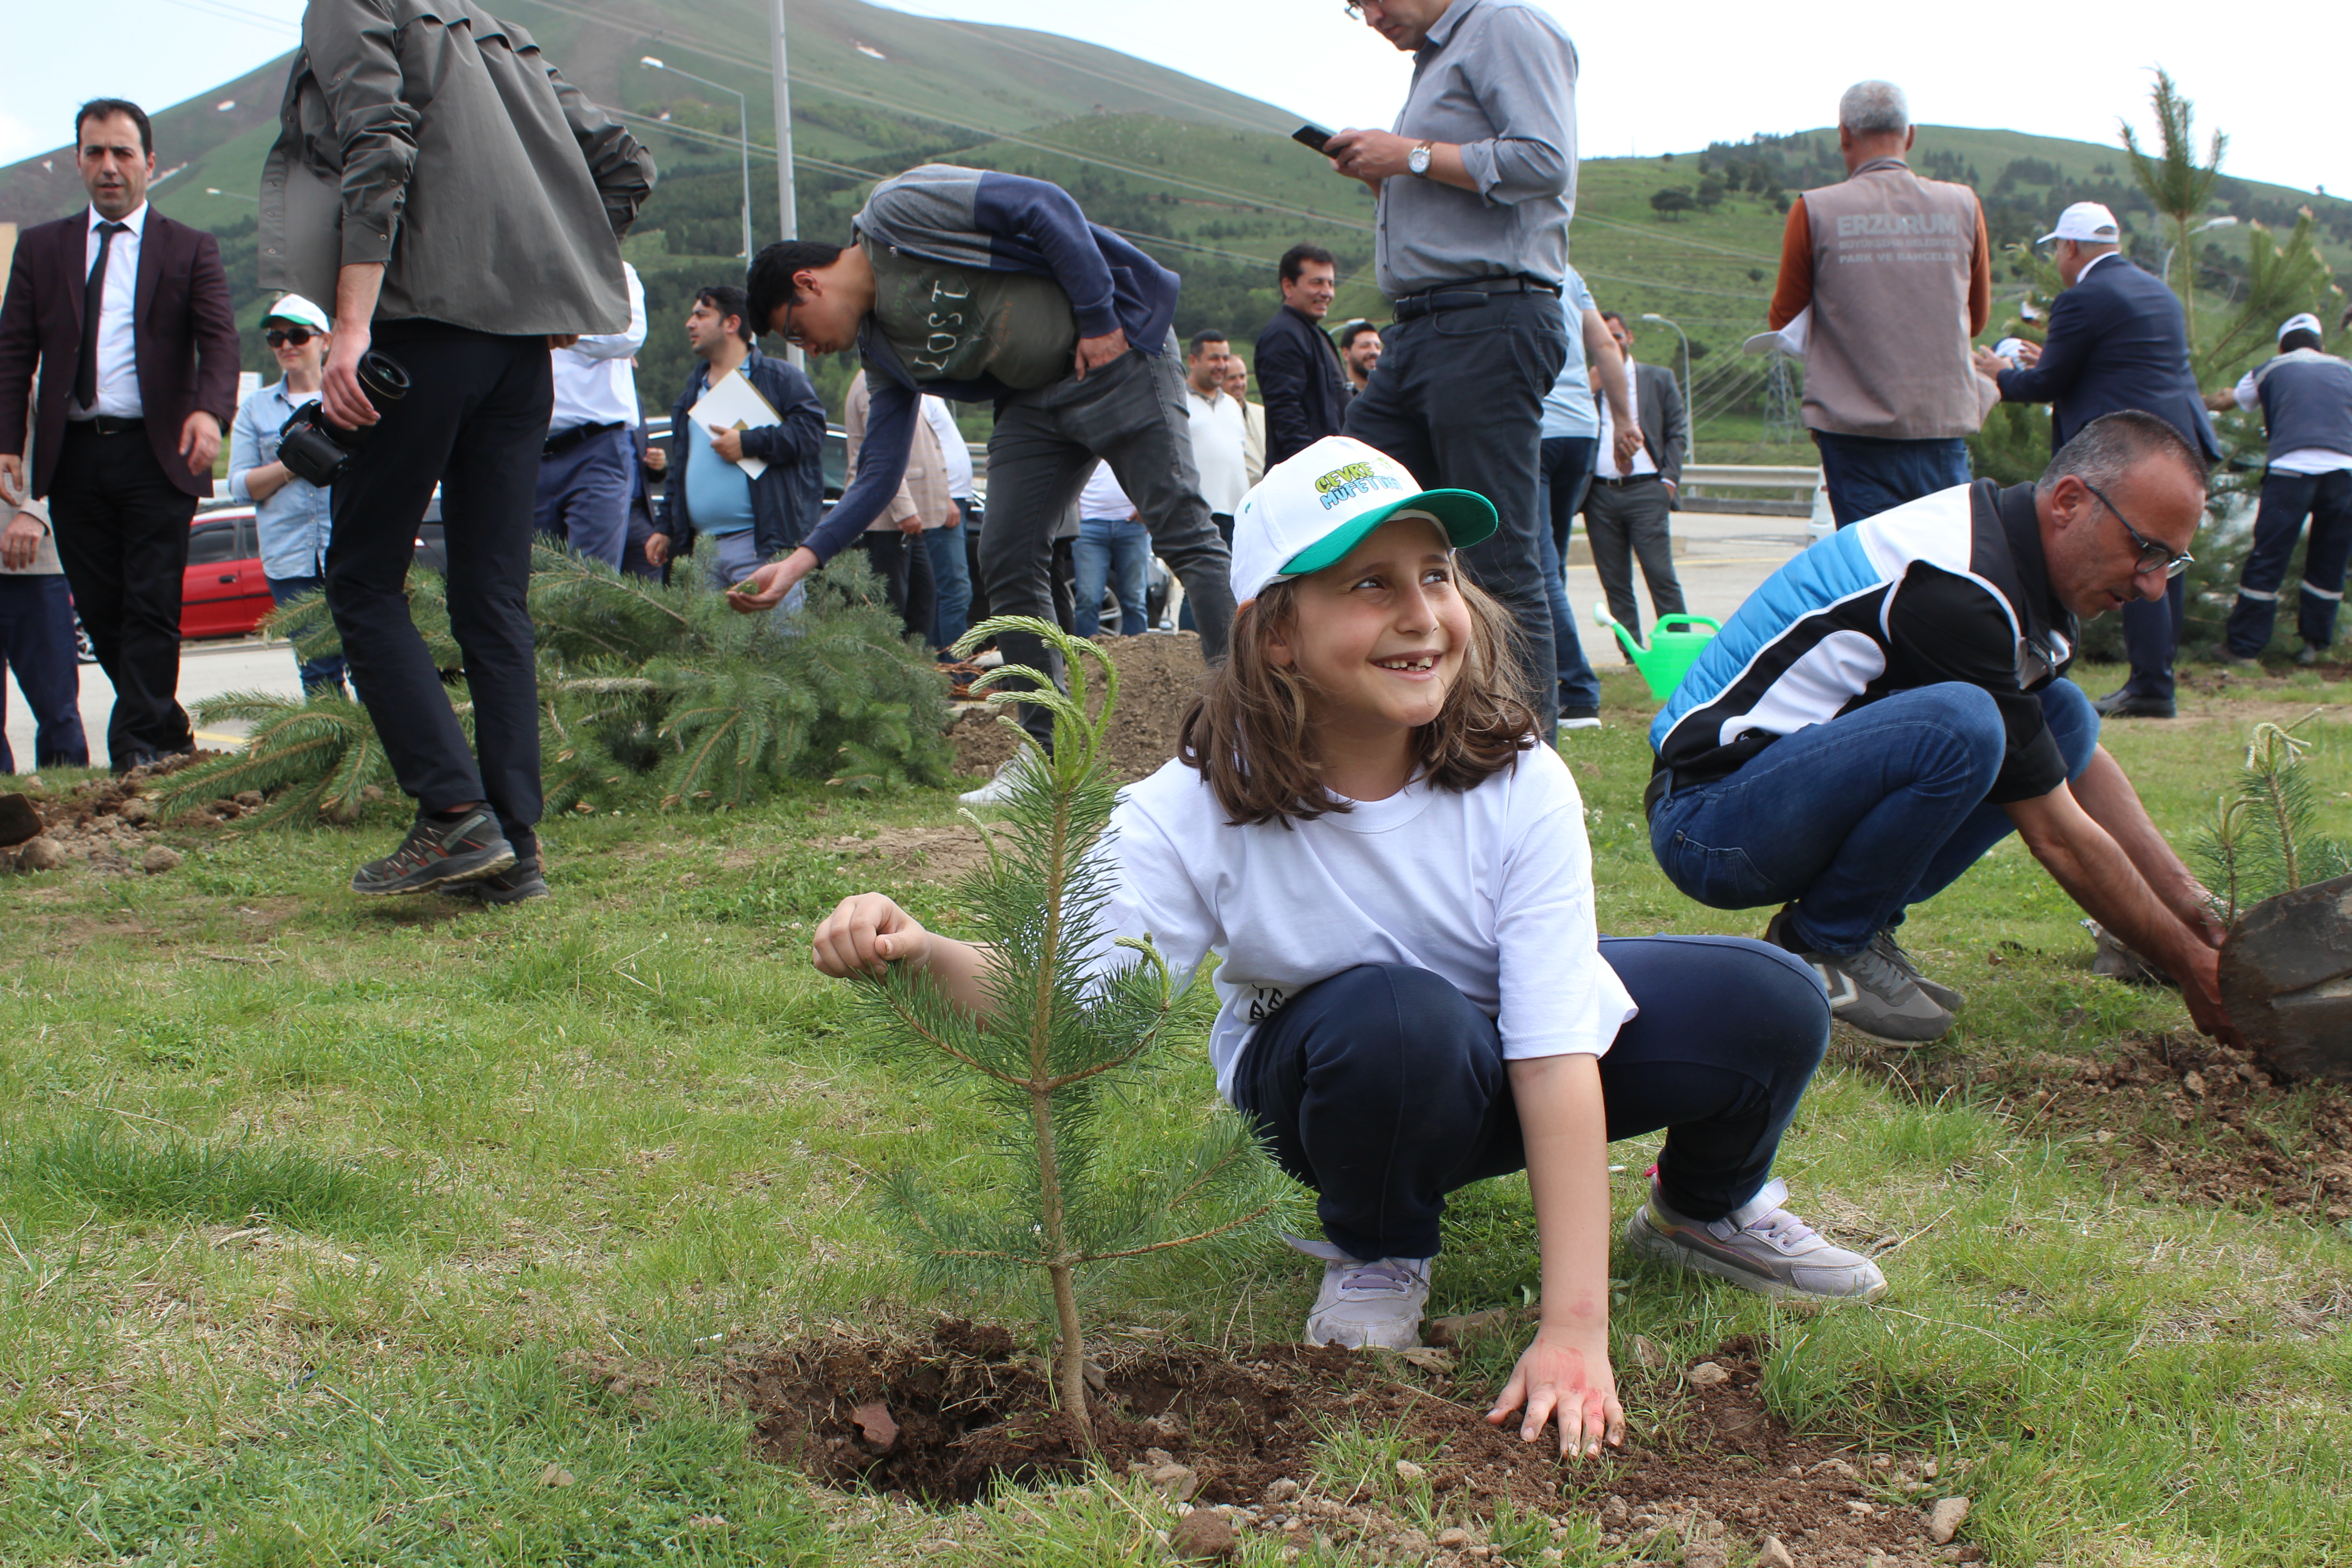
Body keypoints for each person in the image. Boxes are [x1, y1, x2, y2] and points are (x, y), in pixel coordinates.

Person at [812, 434, 1885, 1461]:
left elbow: (1556, 1042)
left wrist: (1574, 1328)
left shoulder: (1519, 776)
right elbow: (1065, 1005)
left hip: (1493, 1064)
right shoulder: (1191, 804)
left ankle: (1703, 1208)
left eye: (1434, 574)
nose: (1421, 615)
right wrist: (917, 948)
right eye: (1369, 585)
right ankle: (1376, 1246)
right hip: (1343, 1086)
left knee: (1772, 997)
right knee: (1397, 1018)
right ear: (1275, 630)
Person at [1646, 412, 2239, 1048]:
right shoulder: (1957, 583)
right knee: (1965, 722)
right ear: (2070, 502)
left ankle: (1857, 927)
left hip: (1774, 802)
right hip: (1709, 823)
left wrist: (2194, 906)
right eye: (2146, 551)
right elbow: (2057, 835)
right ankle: (1824, 941)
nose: (2153, 587)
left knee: (2064, 714)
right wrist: (2187, 963)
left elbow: (2080, 767)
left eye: (2171, 564)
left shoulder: (2019, 566)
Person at [261, 0, 656, 900]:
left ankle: (451, 814)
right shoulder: (491, 31)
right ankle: (517, 848)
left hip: (420, 331)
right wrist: (554, 284)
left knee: (362, 579)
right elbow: (627, 164)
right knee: (493, 595)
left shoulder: (353, 7)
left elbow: (379, 141)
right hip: (520, 358)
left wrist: (351, 326)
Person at [731, 164, 1237, 768]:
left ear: (807, 284)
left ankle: (1246, 732)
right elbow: (878, 474)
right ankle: (1043, 758)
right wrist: (799, 563)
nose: (810, 349)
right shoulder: (884, 354)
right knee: (1006, 553)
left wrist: (1100, 319)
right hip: (1033, 401)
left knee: (1183, 531)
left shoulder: (897, 213)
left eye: (796, 331)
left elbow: (1043, 204)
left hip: (1117, 353)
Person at [1328, 0, 1580, 735]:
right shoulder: (1434, 61)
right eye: (1355, 8)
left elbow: (1542, 160)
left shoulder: (1504, 25)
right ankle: (1401, 725)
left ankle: (1523, 766)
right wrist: (1392, 175)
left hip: (1487, 317)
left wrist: (1404, 155)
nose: (1370, 15)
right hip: (1418, 328)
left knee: (1498, 557)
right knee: (1356, 508)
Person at [0, 98, 239, 772]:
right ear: (79, 160)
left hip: (156, 453)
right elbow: (14, 351)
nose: (109, 167)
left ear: (150, 163)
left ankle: (133, 744)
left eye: (123, 153)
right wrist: (5, 443)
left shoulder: (191, 247)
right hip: (72, 455)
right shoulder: (43, 249)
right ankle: (165, 728)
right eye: (96, 152)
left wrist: (209, 412)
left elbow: (221, 343)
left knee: (153, 602)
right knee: (103, 609)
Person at [1975, 202, 2219, 720]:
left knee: (2134, 561)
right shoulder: (2157, 291)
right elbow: (2127, 366)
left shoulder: (2082, 298)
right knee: (2165, 564)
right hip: (2179, 440)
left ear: (2070, 248)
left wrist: (1999, 372)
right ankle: (2158, 677)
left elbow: (2046, 384)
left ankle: (2149, 688)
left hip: (2130, 454)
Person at [1768, 81, 1994, 527]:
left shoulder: (1813, 210)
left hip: (1853, 434)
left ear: (1844, 136)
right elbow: (1977, 320)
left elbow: (1784, 320)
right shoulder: (1963, 204)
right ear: (1910, 135)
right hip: (1940, 426)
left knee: (1874, 576)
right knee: (1946, 565)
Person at [651, 286, 827, 605]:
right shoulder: (690, 394)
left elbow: (811, 434)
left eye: (701, 315)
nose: (690, 324)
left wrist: (748, 443)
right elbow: (680, 468)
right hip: (701, 551)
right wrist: (665, 526)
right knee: (711, 651)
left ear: (732, 324)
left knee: (776, 647)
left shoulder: (780, 378)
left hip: (761, 546)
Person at [2204, 312, 2352, 667]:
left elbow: (2226, 400)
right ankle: (2314, 646)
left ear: (2282, 345)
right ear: (2321, 345)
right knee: (2330, 562)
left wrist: (2188, 400)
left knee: (2268, 557)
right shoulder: (2346, 369)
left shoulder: (2270, 369)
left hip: (2291, 475)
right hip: (2344, 476)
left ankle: (2243, 649)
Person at [225, 292, 347, 694]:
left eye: (298, 335)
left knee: (372, 661)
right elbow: (240, 486)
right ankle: (329, 754)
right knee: (317, 669)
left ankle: (384, 754)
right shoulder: (256, 409)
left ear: (326, 340)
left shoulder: (349, 399)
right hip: (290, 558)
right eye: (276, 339)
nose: (287, 346)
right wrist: (293, 466)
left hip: (351, 546)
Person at [1538, 266, 1637, 729]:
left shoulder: (1503, 252)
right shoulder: (1568, 272)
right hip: (1581, 429)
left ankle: (1577, 689)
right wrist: (1623, 420)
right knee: (1551, 565)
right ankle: (1562, 681)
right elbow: (1605, 345)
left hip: (1536, 428)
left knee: (1536, 567)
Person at [534, 260, 647, 571]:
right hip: (531, 448)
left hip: (596, 448)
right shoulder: (523, 267)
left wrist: (556, 328)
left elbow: (628, 333)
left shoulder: (611, 268)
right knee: (536, 585)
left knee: (593, 583)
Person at [1585, 313, 1688, 644]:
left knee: (1660, 574)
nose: (1612, 344)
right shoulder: (1586, 384)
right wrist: (1589, 389)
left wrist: (1668, 483)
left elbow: (1677, 433)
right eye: (1605, 338)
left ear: (1628, 337)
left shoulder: (1658, 379)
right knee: (1615, 582)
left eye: (1617, 336)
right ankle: (1632, 655)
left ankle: (1680, 647)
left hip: (1647, 490)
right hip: (1599, 494)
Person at [0, 420, 90, 774]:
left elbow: (70, 448)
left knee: (58, 710)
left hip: (33, 562)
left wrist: (37, 509)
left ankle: (71, 805)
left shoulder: (27, 371)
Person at [843, 368, 941, 647]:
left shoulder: (892, 378)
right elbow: (880, 454)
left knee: (923, 598)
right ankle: (890, 677)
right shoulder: (870, 383)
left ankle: (914, 671)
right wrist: (905, 509)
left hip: (900, 521)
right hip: (885, 518)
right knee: (891, 608)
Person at [1255, 243, 1351, 465]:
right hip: (1308, 474)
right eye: (1317, 283)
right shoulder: (1283, 335)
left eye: (1331, 284)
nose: (1327, 293)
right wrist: (1311, 466)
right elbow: (1286, 411)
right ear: (1288, 286)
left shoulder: (1316, 334)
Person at [920, 394, 975, 651]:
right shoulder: (919, 392)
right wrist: (943, 496)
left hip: (956, 498)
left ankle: (945, 668)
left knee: (946, 589)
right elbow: (922, 447)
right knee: (955, 589)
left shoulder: (931, 395)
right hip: (944, 501)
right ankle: (956, 670)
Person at [1184, 330, 1250, 541]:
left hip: (1238, 516)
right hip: (1198, 513)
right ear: (1193, 361)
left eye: (1225, 358)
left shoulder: (1232, 405)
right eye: (1214, 358)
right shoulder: (1177, 402)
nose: (1222, 365)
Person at [1072, 461, 1148, 637]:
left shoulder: (1133, 435)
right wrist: (1075, 511)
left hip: (1132, 525)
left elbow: (1154, 465)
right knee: (1088, 598)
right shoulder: (1084, 434)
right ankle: (1085, 660)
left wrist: (1146, 507)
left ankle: (1139, 659)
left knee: (1136, 600)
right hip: (1089, 524)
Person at [1224, 356, 1268, 488]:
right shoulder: (1218, 420)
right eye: (1232, 378)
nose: (1239, 383)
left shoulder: (1263, 413)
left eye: (1242, 377)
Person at [1339, 319, 1384, 395]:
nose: (1374, 352)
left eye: (1378, 347)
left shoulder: (1390, 395)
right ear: (1346, 354)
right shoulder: (1338, 397)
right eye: (1365, 346)